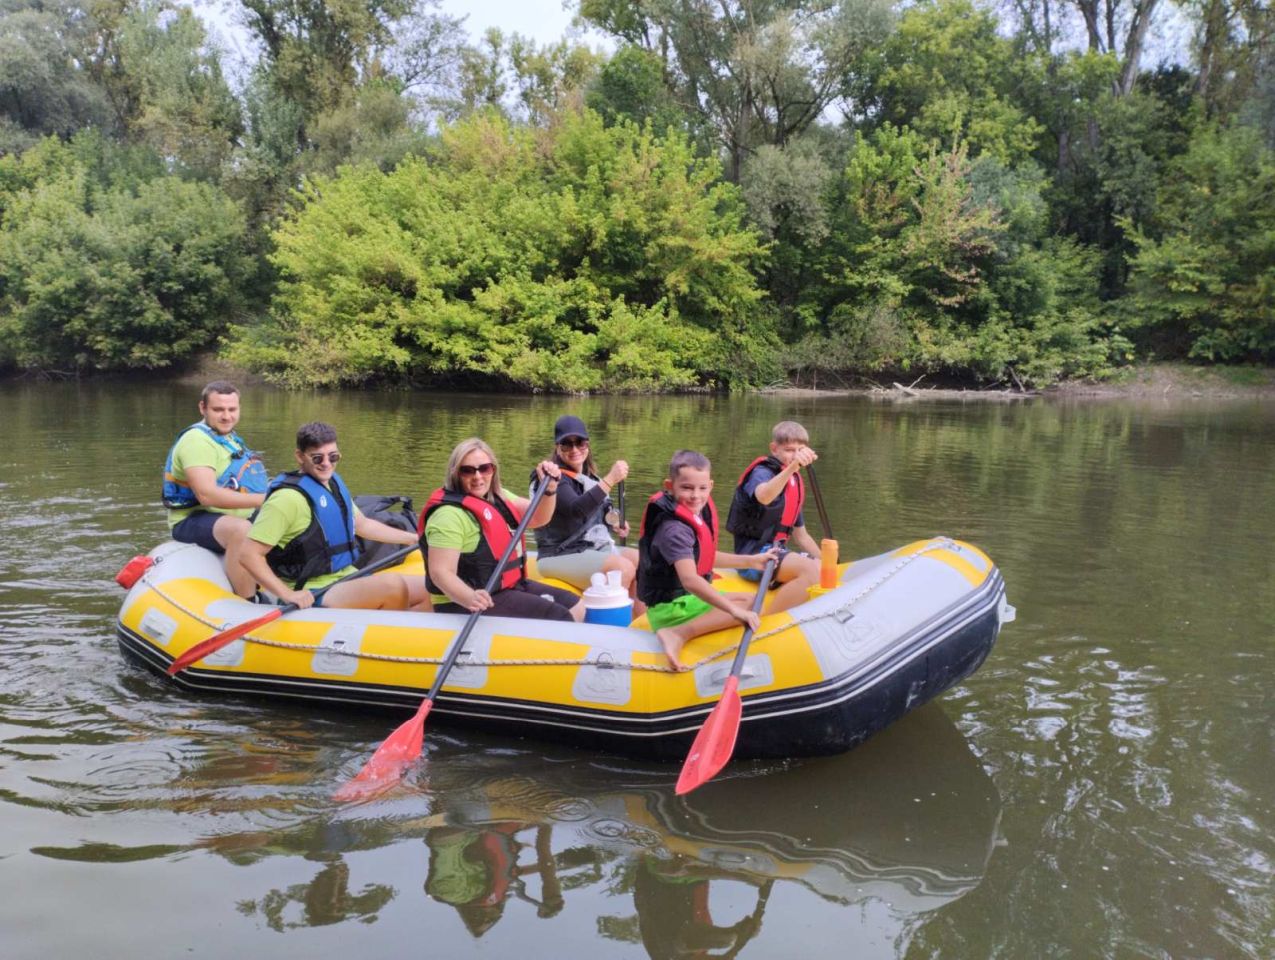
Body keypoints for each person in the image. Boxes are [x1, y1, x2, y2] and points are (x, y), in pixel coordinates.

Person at [241, 422, 430, 611]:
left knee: (431, 588)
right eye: (317, 458)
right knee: (392, 586)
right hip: (313, 589)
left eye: (333, 457)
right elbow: (248, 554)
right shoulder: (285, 500)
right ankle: (387, 634)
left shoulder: (333, 485)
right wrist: (287, 594)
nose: (326, 463)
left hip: (346, 576)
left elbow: (362, 526)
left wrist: (414, 539)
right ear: (300, 456)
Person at [637, 450, 780, 671]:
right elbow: (690, 580)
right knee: (748, 606)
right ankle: (677, 633)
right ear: (669, 485)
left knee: (750, 600)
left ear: (710, 486)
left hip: (683, 601)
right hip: (671, 609)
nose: (696, 495)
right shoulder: (674, 530)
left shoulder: (693, 512)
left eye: (702, 488)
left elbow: (705, 558)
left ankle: (687, 627)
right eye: (687, 488)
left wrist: (751, 561)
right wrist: (734, 612)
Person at [420, 438, 584, 622]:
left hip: (507, 586)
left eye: (484, 468)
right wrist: (469, 598)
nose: (477, 476)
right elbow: (440, 573)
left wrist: (550, 489)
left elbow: (539, 517)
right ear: (455, 473)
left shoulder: (499, 496)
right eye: (467, 470)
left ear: (493, 470)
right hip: (464, 601)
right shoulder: (448, 515)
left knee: (575, 606)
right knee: (559, 616)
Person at [162, 381, 270, 598]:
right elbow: (207, 495)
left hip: (231, 515)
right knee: (242, 530)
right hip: (191, 519)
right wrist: (264, 499)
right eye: (218, 409)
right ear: (203, 408)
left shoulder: (228, 438)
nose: (227, 416)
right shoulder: (197, 442)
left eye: (232, 409)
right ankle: (248, 601)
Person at [532, 414, 642, 610]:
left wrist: (616, 522)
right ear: (557, 447)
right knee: (622, 568)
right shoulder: (550, 477)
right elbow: (576, 510)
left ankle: (638, 623)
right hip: (558, 554)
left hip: (590, 548)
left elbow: (603, 513)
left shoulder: (590, 478)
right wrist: (610, 479)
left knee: (643, 561)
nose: (574, 449)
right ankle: (607, 627)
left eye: (580, 443)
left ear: (587, 445)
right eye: (567, 444)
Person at [726, 419, 821, 601]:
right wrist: (793, 468)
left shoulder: (793, 485)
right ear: (774, 449)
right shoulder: (762, 473)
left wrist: (833, 566)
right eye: (789, 450)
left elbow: (802, 537)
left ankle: (782, 585)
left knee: (819, 565)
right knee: (808, 569)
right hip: (753, 557)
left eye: (799, 451)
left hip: (777, 552)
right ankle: (767, 616)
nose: (795, 456)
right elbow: (764, 496)